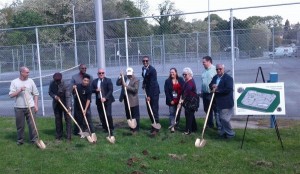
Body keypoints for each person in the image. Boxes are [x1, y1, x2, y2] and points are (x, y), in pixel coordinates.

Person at [9, 66, 39, 146]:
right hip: (19, 107)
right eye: (27, 72)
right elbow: (11, 95)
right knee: (20, 126)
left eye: (28, 72)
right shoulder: (14, 82)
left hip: (30, 106)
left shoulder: (31, 81)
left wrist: (36, 105)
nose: (28, 74)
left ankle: (34, 140)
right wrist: (20, 90)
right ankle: (20, 141)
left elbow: (36, 94)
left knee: (33, 125)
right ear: (21, 72)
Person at [209, 64, 235, 139]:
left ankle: (231, 133)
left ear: (223, 69)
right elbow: (210, 84)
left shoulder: (228, 78)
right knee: (220, 118)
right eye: (217, 69)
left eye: (220, 69)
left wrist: (217, 90)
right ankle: (223, 132)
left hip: (226, 103)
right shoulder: (215, 77)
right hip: (217, 102)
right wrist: (212, 86)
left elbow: (228, 89)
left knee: (224, 119)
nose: (218, 70)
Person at [70, 64, 93, 135]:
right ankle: (78, 131)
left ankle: (88, 131)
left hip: (86, 101)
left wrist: (85, 109)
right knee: (78, 117)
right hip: (78, 101)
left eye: (85, 68)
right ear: (79, 68)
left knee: (87, 117)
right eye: (83, 68)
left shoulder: (89, 77)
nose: (84, 69)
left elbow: (90, 90)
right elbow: (71, 90)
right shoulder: (74, 77)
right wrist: (73, 88)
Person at [116, 67, 140, 134]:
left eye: (130, 74)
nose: (129, 75)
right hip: (126, 99)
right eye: (128, 74)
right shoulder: (125, 78)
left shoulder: (136, 80)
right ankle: (131, 128)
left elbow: (135, 90)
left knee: (135, 115)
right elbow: (117, 83)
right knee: (128, 115)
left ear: (133, 73)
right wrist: (120, 76)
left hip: (133, 100)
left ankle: (136, 129)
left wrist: (127, 86)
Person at [48, 72, 72, 141]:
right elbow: (50, 92)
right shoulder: (52, 83)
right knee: (58, 119)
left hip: (65, 103)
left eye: (58, 81)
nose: (57, 82)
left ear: (61, 79)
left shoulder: (66, 84)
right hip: (56, 103)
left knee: (68, 119)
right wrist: (55, 96)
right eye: (56, 81)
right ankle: (59, 135)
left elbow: (68, 96)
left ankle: (68, 136)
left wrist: (69, 107)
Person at [91, 68, 115, 135]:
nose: (101, 74)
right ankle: (105, 128)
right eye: (100, 73)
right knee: (101, 115)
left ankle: (111, 128)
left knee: (108, 115)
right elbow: (91, 89)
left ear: (104, 73)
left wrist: (105, 98)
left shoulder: (108, 80)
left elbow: (110, 90)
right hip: (99, 101)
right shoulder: (95, 81)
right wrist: (96, 90)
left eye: (102, 73)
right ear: (97, 74)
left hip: (107, 101)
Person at [141, 56, 160, 136]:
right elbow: (145, 79)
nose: (145, 62)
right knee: (149, 110)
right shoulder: (143, 69)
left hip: (154, 92)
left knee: (154, 110)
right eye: (144, 61)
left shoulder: (152, 70)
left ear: (149, 61)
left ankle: (156, 128)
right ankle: (153, 124)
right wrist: (143, 84)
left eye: (146, 61)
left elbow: (152, 83)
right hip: (148, 91)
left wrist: (149, 96)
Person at [200, 56, 220, 130]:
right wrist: (202, 91)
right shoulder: (205, 71)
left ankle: (219, 126)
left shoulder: (215, 69)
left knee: (216, 110)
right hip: (205, 94)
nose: (203, 64)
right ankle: (210, 124)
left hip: (212, 93)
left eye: (204, 62)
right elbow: (203, 82)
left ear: (209, 62)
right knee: (207, 110)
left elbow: (219, 80)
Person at [164, 68, 184, 133]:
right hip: (171, 101)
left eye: (173, 72)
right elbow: (166, 92)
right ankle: (172, 126)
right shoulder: (167, 81)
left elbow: (183, 90)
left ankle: (176, 125)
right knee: (172, 113)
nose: (172, 73)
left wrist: (181, 100)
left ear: (176, 72)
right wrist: (170, 100)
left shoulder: (180, 80)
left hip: (179, 100)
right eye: (170, 72)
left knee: (178, 113)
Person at [181, 67, 198, 135]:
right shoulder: (187, 81)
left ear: (190, 74)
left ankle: (188, 130)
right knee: (191, 116)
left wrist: (182, 99)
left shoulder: (190, 82)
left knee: (188, 116)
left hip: (191, 102)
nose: (184, 76)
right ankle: (194, 128)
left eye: (186, 74)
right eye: (183, 74)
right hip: (188, 101)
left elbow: (187, 91)